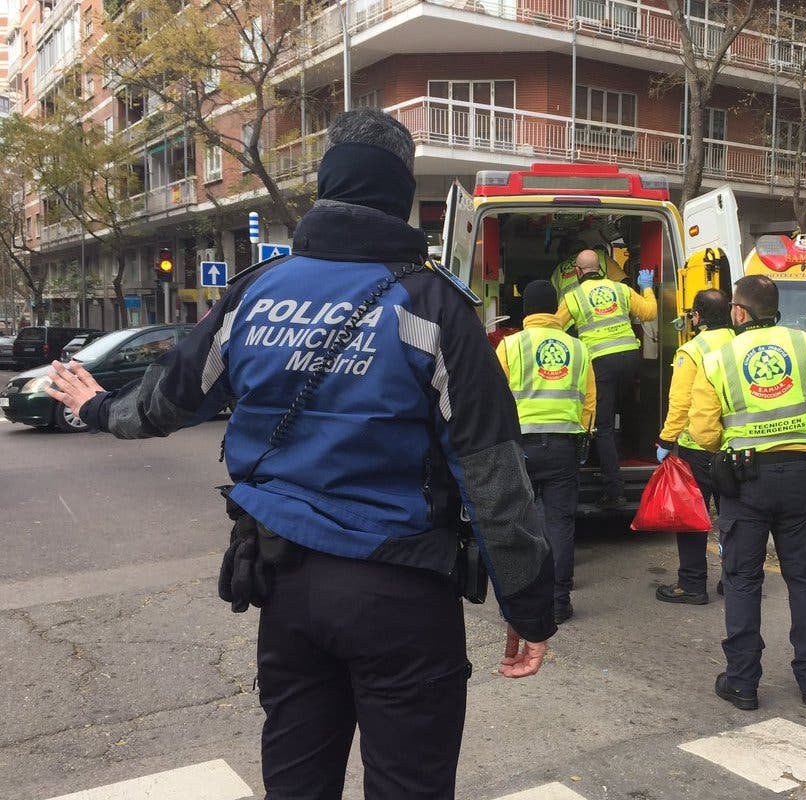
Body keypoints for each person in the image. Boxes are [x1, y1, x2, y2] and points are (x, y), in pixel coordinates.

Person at [45, 110, 556, 800]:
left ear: (326, 186)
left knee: (296, 783)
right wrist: (529, 606)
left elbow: (167, 401)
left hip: (285, 587)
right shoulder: (434, 307)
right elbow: (492, 474)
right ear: (400, 193)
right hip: (401, 594)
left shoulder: (254, 294)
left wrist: (97, 406)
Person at [689, 275, 806, 710]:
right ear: (776, 309)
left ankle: (743, 683)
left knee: (742, 581)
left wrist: (724, 445)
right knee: (804, 578)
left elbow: (702, 429)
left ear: (738, 311)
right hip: (799, 477)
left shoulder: (717, 356)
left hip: (745, 481)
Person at [496, 280, 596, 624]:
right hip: (563, 447)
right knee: (560, 524)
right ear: (555, 310)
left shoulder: (510, 346)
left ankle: (521, 601)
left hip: (519, 447)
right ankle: (558, 601)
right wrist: (580, 436)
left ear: (526, 310)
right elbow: (589, 403)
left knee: (517, 522)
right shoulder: (579, 348)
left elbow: (496, 399)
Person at [556, 249, 657, 507]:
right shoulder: (620, 289)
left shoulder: (574, 297)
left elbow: (554, 326)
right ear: (600, 267)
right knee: (625, 411)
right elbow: (649, 312)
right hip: (630, 359)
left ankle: (615, 491)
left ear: (578, 271)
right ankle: (635, 450)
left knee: (603, 428)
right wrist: (647, 288)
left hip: (601, 364)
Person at [654, 286, 734, 605]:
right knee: (732, 516)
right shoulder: (740, 343)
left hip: (697, 447)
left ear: (697, 317)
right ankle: (733, 579)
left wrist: (666, 439)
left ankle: (691, 584)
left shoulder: (692, 350)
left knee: (692, 517)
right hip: (735, 446)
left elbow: (680, 402)